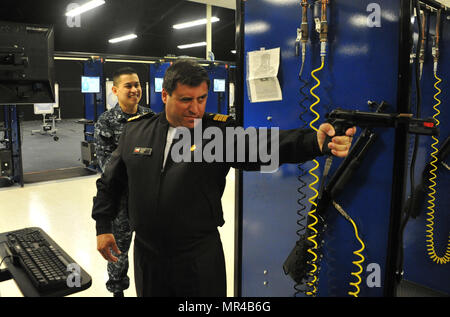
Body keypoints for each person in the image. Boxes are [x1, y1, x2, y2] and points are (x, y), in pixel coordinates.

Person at [92, 59, 355, 297]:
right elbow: (109, 184)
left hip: (197, 257)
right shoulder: (136, 131)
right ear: (165, 95)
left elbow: (262, 144)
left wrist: (314, 142)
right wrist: (103, 227)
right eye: (185, 100)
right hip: (148, 256)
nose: (195, 109)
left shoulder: (214, 135)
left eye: (201, 99)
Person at [93, 67, 152, 297]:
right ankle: (117, 290)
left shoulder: (150, 118)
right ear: (115, 90)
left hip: (148, 197)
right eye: (129, 86)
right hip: (120, 202)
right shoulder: (106, 122)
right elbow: (108, 167)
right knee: (119, 252)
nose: (135, 89)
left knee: (151, 246)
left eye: (137, 85)